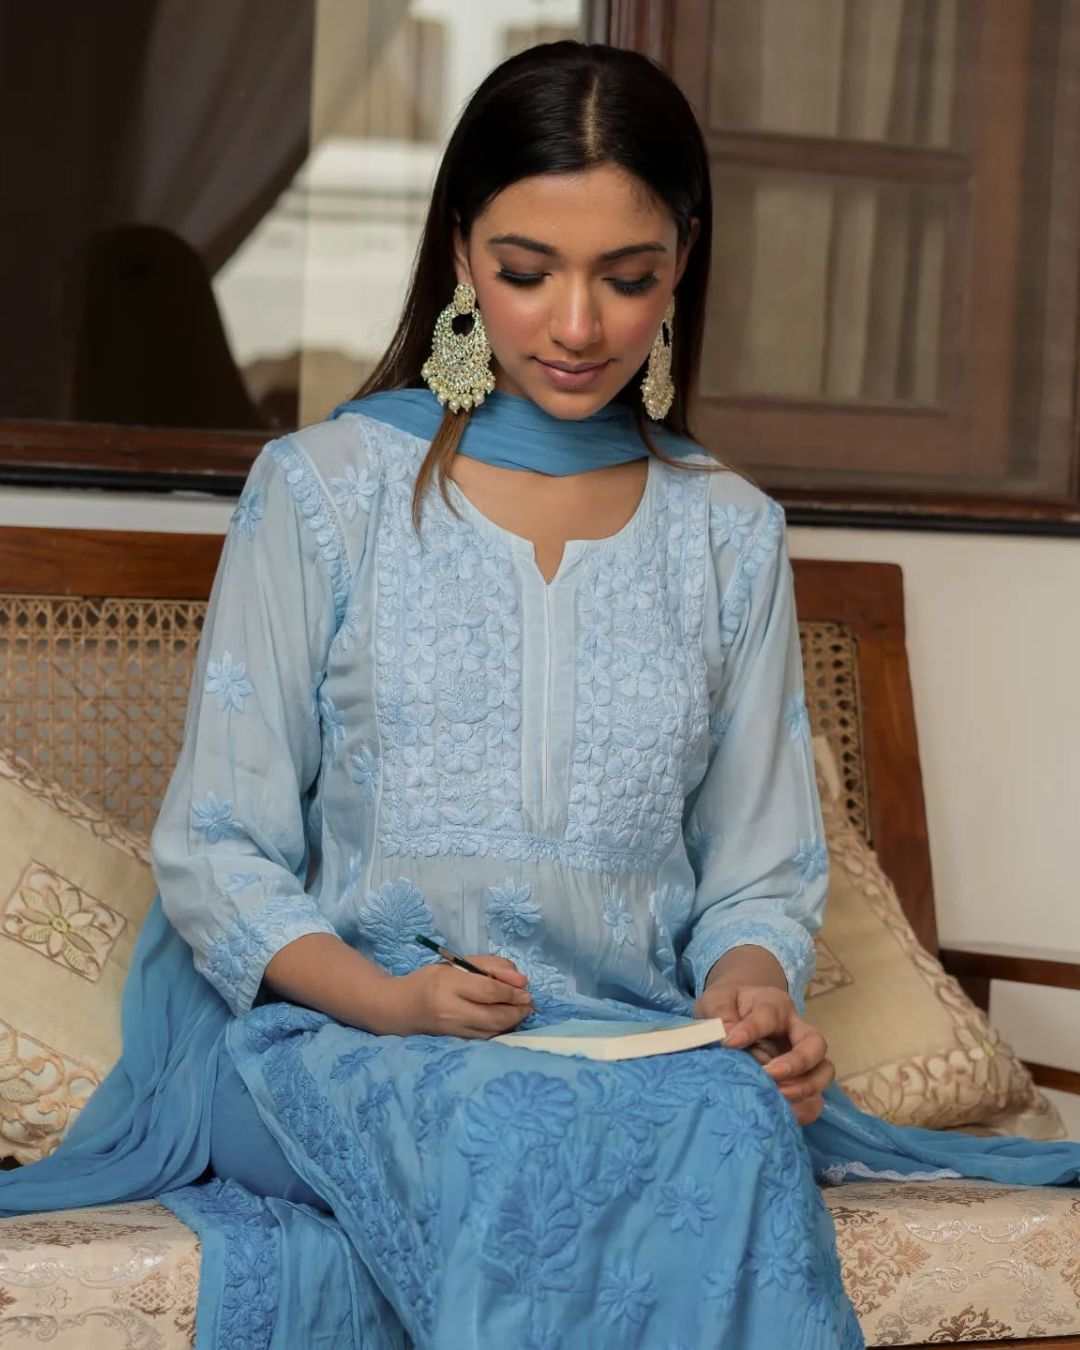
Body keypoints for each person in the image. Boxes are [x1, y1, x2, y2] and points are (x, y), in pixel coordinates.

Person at [4, 41, 1079, 1350]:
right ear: (462, 253)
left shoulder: (726, 532)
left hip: (623, 1046)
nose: (578, 326)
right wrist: (396, 1000)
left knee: (742, 1117)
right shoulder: (323, 491)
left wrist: (750, 994)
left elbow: (755, 873)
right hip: (341, 1037)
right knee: (504, 1129)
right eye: (528, 271)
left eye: (627, 277)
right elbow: (219, 852)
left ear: (681, 261)